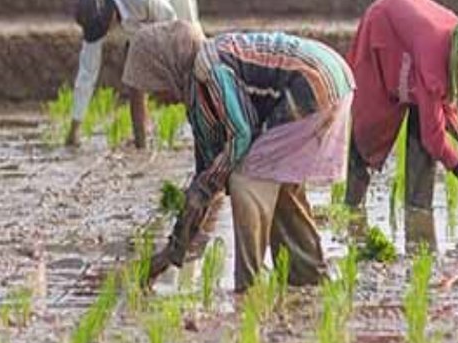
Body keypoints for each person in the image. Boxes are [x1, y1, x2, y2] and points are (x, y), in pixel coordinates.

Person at [125, 21, 353, 292]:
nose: (156, 97)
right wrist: (175, 249)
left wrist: (207, 186)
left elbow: (241, 134)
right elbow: (206, 175)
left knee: (247, 176)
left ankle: (249, 285)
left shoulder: (209, 70)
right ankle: (307, 274)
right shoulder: (200, 93)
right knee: (274, 180)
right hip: (329, 75)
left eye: (154, 83)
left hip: (313, 80)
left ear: (167, 66)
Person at [344, 0, 458, 211]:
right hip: (382, 31)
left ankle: (417, 208)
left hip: (411, 26)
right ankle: (352, 209)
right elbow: (434, 138)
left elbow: (443, 102)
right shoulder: (433, 58)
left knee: (424, 118)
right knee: (368, 130)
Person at [68, 0, 200, 148]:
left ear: (111, 15)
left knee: (191, 61)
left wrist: (169, 83)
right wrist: (74, 129)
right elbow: (87, 73)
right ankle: (142, 139)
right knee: (134, 73)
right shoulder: (94, 14)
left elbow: (171, 27)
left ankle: (203, 125)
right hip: (142, 17)